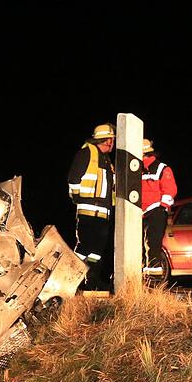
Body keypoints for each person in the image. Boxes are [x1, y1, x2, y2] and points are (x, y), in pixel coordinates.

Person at [68, 123, 115, 290]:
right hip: (87, 210)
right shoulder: (85, 153)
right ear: (108, 140)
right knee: (84, 247)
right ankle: (70, 280)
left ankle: (92, 281)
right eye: (112, 139)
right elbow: (73, 179)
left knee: (97, 251)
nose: (113, 142)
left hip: (103, 212)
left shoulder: (106, 159)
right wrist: (78, 198)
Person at [139, 138, 177, 280]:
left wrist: (160, 208)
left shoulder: (162, 168)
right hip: (139, 214)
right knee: (141, 249)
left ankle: (154, 280)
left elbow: (170, 191)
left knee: (153, 248)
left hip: (155, 212)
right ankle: (144, 278)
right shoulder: (136, 169)